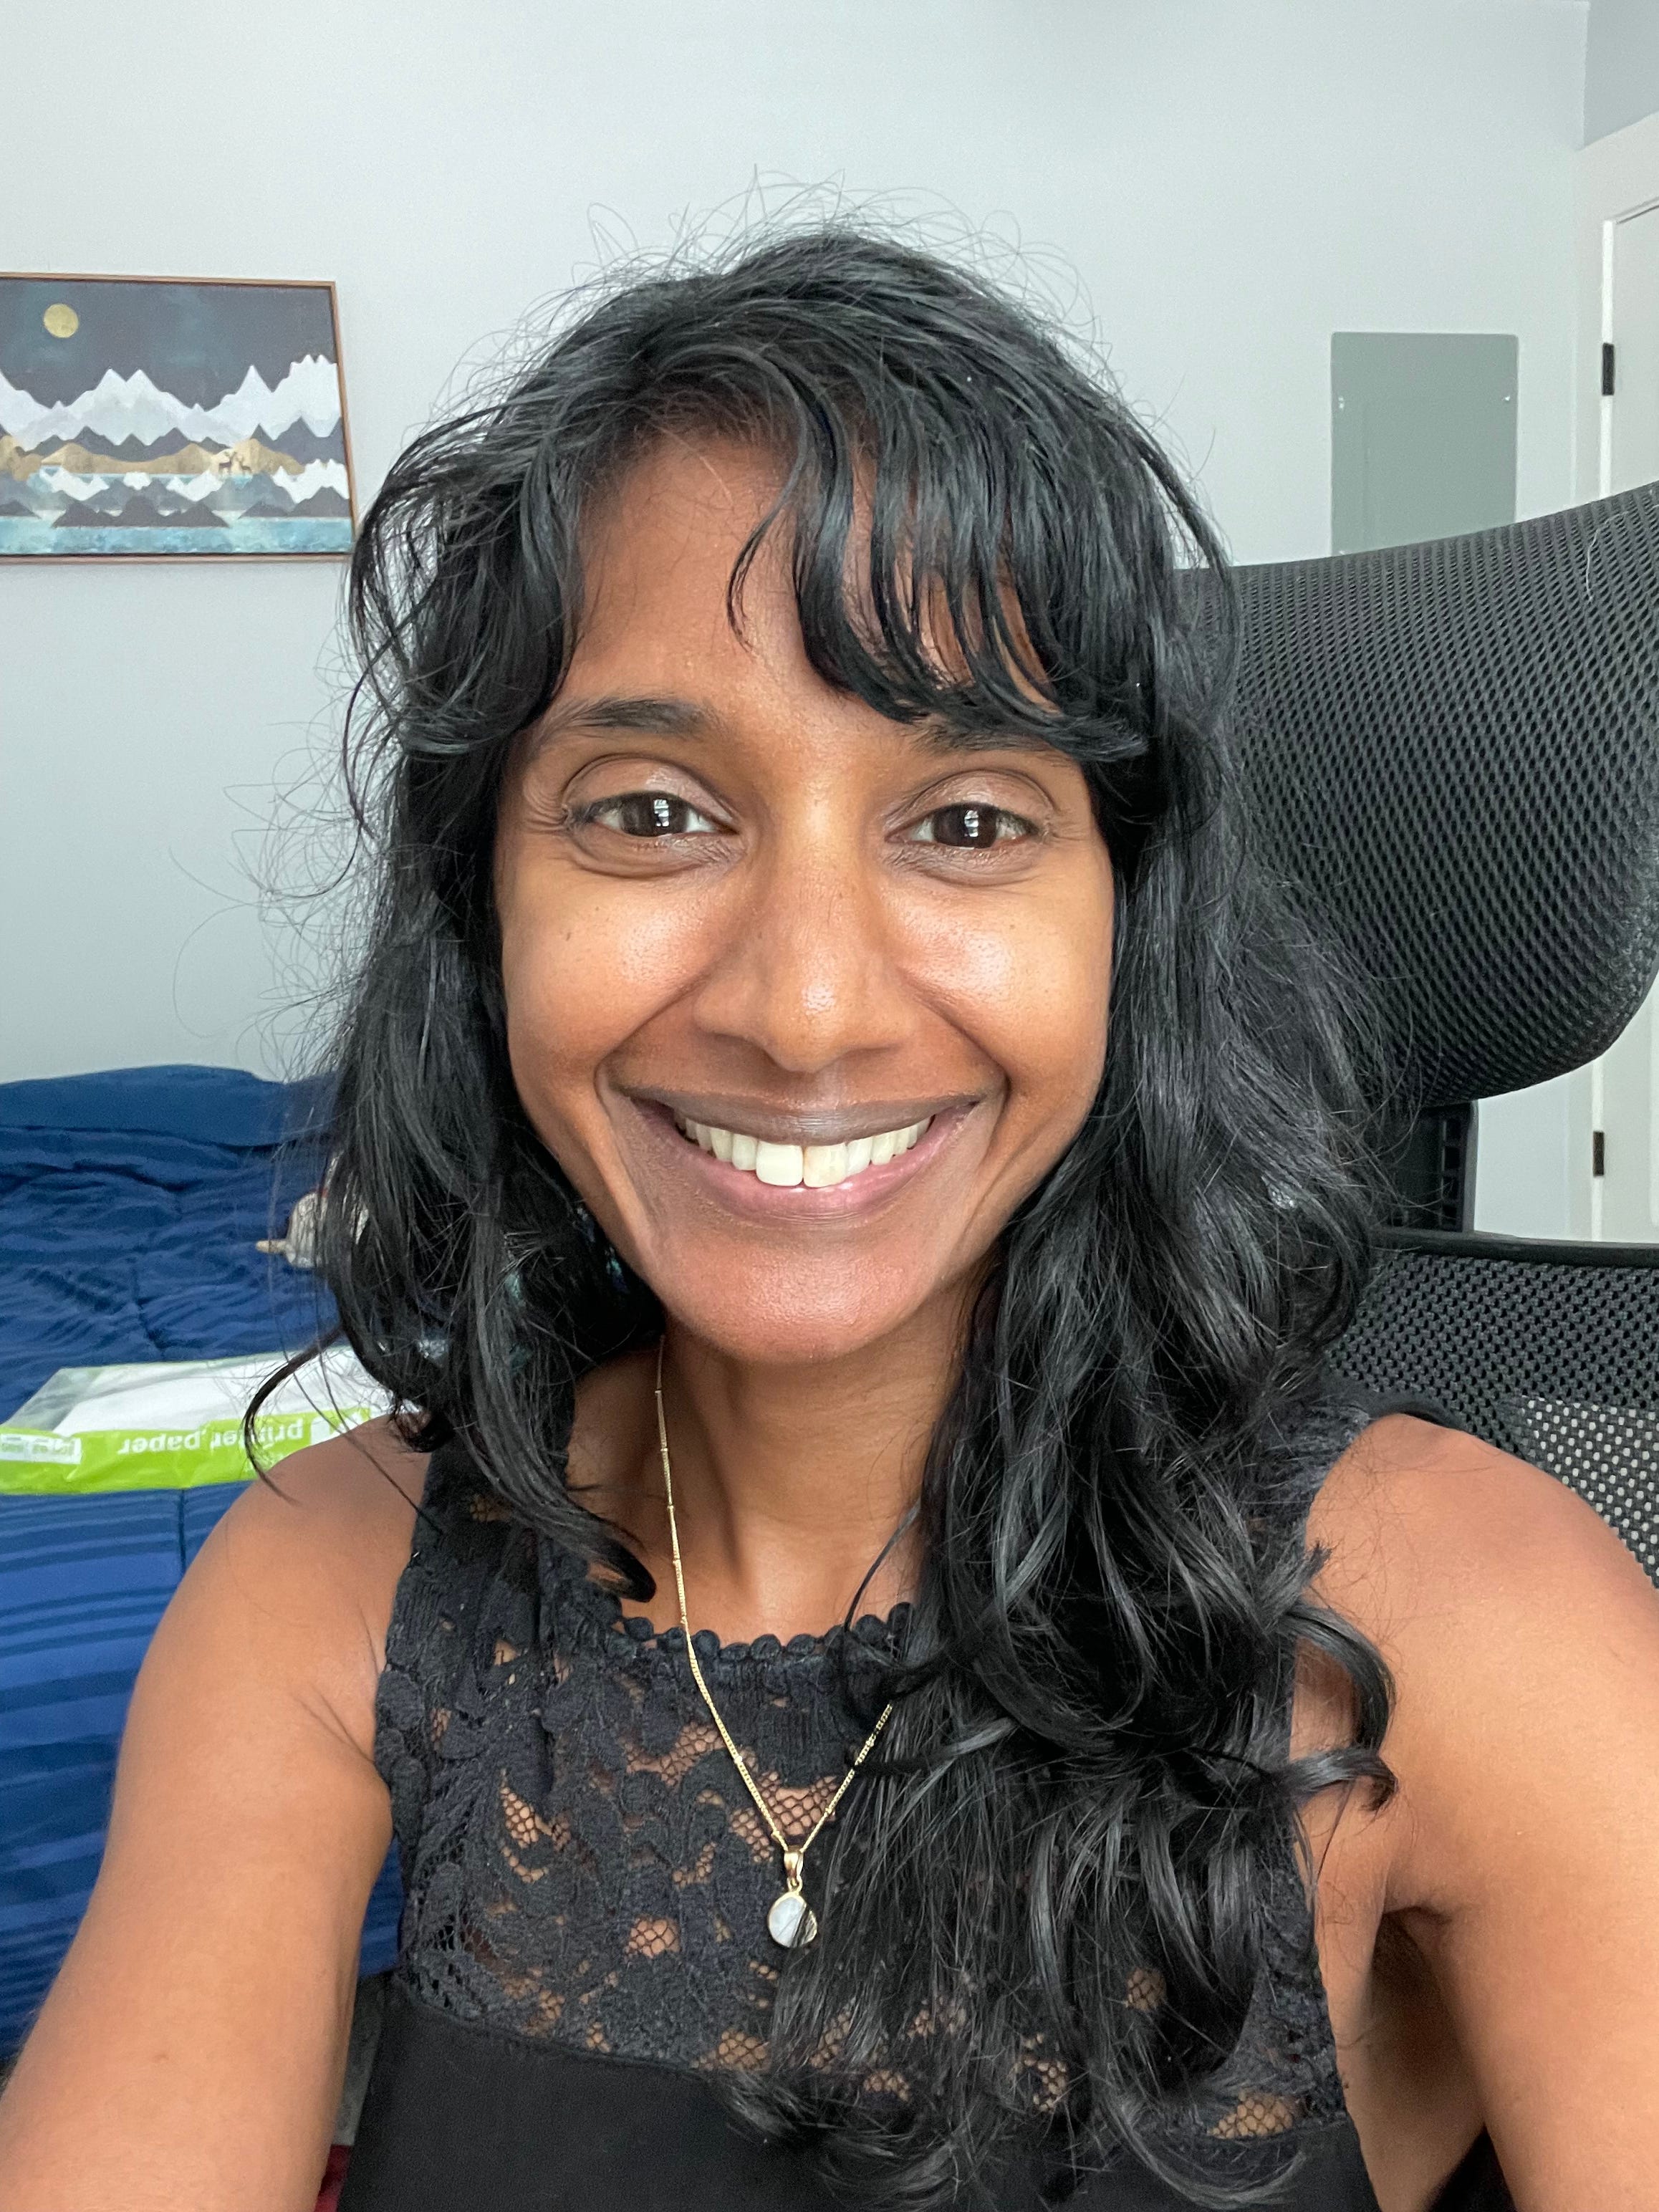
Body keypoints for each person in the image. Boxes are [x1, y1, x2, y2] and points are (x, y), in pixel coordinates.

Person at [2, 229, 1656, 2212]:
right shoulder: (322, 1588)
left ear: (1124, 928)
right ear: (482, 905)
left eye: (965, 822)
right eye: (650, 812)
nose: (803, 1009)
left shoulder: (1474, 1623)